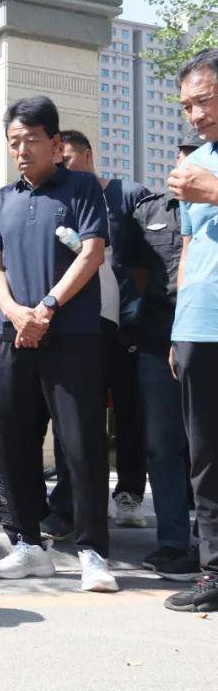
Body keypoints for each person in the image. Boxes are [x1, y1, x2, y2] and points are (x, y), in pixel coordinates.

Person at [0, 95, 117, 593]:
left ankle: (92, 552)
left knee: (80, 443)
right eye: (15, 141)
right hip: (8, 333)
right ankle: (25, 545)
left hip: (71, 335)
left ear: (56, 144)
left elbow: (92, 253)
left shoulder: (80, 187)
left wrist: (47, 308)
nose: (21, 150)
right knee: (9, 440)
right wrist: (16, 312)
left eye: (31, 140)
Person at [54, 130, 149, 532]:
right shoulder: (62, 201)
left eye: (70, 159)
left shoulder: (130, 194)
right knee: (77, 415)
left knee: (130, 413)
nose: (65, 168)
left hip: (128, 325)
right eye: (59, 162)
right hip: (80, 325)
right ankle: (71, 497)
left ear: (89, 155)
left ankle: (128, 493)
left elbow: (152, 259)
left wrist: (141, 315)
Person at [121, 137, 201, 581]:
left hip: (206, 337)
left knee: (206, 447)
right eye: (184, 158)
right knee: (162, 444)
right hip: (157, 338)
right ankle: (173, 540)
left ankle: (205, 539)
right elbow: (136, 271)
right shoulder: (149, 211)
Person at [165, 48, 218, 613]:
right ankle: (214, 572)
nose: (194, 114)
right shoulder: (192, 163)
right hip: (199, 327)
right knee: (205, 456)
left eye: (203, 100)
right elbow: (187, 247)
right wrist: (179, 326)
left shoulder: (204, 176)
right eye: (187, 105)